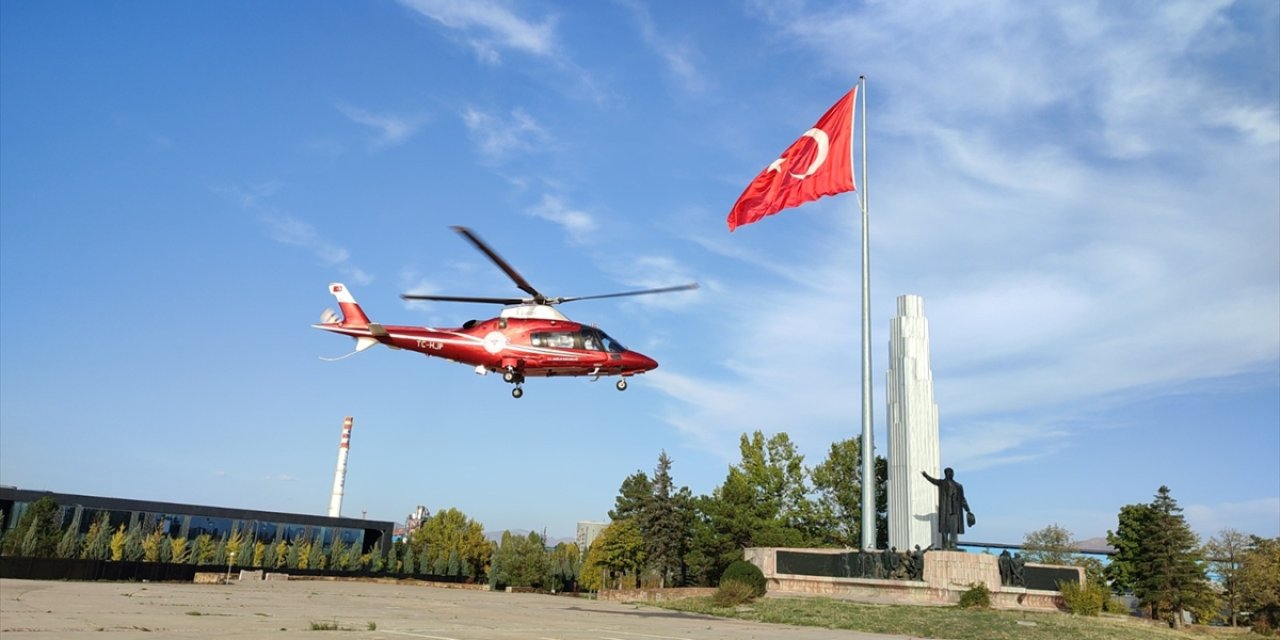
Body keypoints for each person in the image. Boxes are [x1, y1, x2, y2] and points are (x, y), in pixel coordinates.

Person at [921, 467, 973, 550]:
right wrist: (926, 476)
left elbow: (962, 499)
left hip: (955, 511)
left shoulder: (959, 486)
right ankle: (945, 545)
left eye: (952, 472)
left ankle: (953, 545)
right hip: (945, 510)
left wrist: (968, 510)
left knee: (953, 529)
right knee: (944, 529)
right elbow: (933, 480)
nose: (951, 474)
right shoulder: (942, 483)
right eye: (949, 472)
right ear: (946, 474)